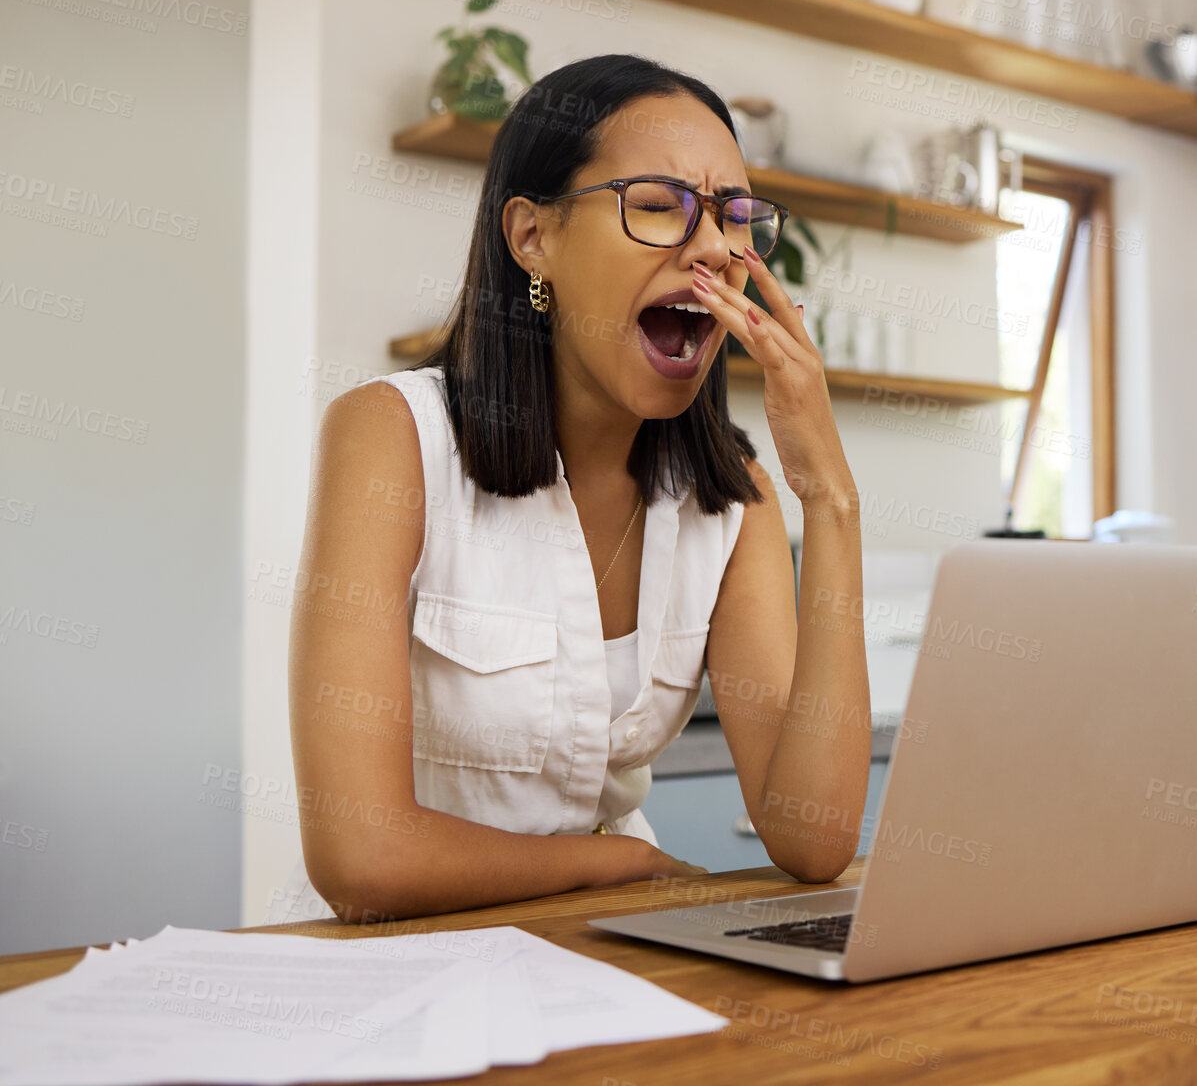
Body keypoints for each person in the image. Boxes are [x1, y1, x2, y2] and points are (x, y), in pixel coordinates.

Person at [282, 54, 870, 924]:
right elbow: (362, 859)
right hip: (398, 968)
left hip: (611, 951)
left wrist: (830, 500)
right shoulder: (391, 437)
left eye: (734, 218)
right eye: (660, 206)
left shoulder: (730, 494)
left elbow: (812, 839)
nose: (715, 247)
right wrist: (610, 863)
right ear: (533, 237)